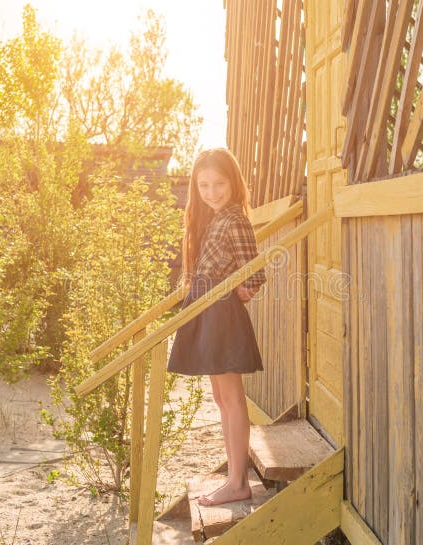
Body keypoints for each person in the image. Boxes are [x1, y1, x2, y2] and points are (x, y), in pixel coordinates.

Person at [167, 148, 267, 506]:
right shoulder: (213, 218)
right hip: (208, 309)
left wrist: (238, 293)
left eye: (219, 184)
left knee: (232, 399)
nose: (211, 192)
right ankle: (233, 477)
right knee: (221, 399)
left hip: (221, 314)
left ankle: (238, 482)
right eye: (204, 185)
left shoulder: (234, 219)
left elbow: (255, 274)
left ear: (233, 182)